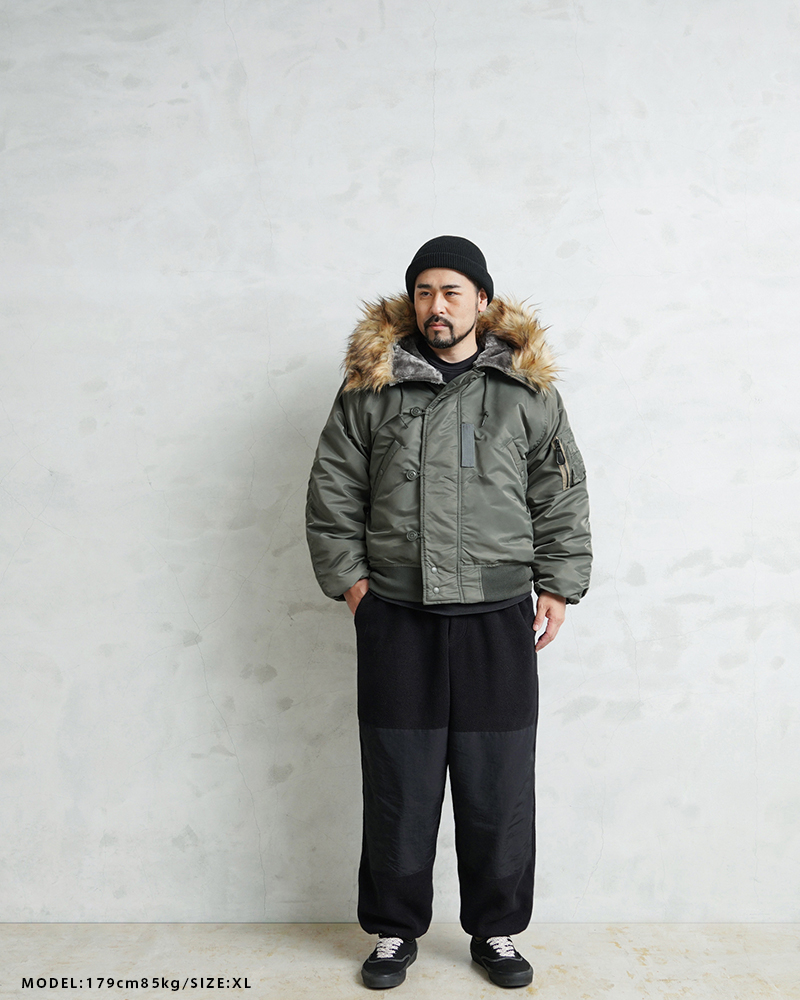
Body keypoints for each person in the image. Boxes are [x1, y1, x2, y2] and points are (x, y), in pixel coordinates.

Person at [306, 236, 592, 989]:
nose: (437, 305)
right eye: (424, 290)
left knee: (498, 785)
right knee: (399, 784)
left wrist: (558, 584)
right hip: (398, 615)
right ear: (412, 301)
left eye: (452, 291)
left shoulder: (527, 391)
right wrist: (354, 587)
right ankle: (393, 931)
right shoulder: (368, 388)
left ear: (482, 301)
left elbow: (560, 494)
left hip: (498, 617)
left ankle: (496, 930)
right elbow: (333, 491)